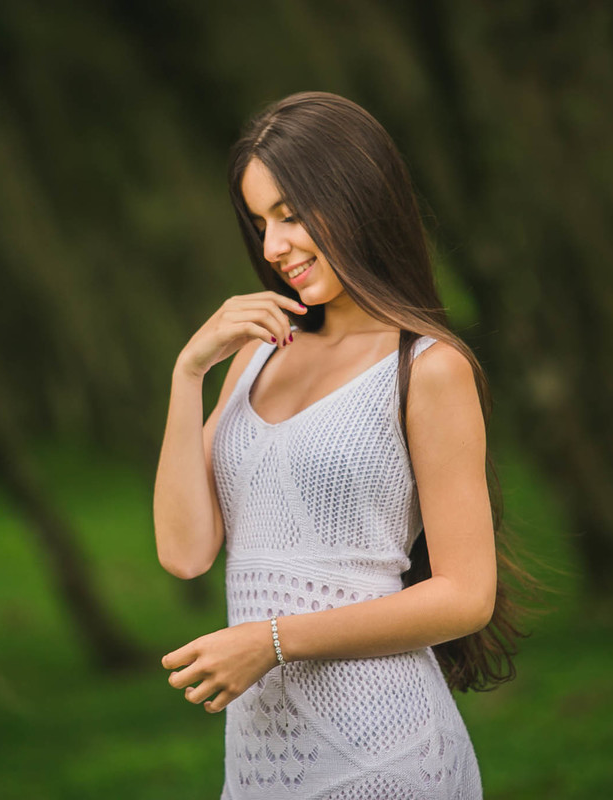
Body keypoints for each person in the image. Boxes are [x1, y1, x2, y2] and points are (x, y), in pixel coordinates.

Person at [152, 91, 528, 799]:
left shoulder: (427, 367)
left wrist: (271, 641)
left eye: (291, 215)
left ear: (359, 197)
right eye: (260, 221)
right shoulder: (259, 354)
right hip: (262, 769)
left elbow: (466, 594)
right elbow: (184, 551)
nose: (273, 247)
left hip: (385, 756)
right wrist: (188, 372)